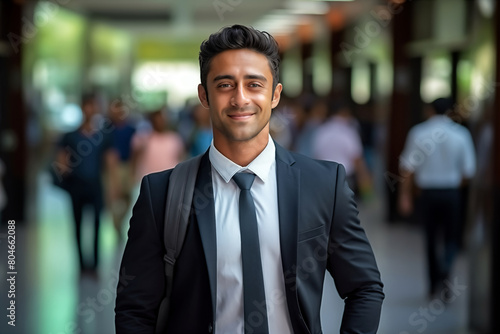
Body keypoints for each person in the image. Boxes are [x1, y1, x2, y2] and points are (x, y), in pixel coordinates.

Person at [116, 25, 384, 334]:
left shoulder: (324, 184)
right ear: (204, 95)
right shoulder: (161, 193)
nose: (240, 98)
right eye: (225, 84)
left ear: (275, 94)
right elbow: (134, 308)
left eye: (254, 84)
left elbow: (364, 287)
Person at [398, 97, 476, 297]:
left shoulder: (418, 132)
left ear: (429, 110)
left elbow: (407, 168)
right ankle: (446, 272)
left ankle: (433, 284)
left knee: (430, 239)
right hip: (451, 192)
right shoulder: (461, 134)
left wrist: (404, 196)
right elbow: (468, 172)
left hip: (428, 192)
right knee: (451, 237)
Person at [55, 94, 119, 274]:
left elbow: (110, 161)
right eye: (87, 106)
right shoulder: (70, 136)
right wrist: (64, 169)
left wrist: (114, 186)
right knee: (77, 224)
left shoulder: (103, 136)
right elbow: (60, 156)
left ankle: (95, 264)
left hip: (95, 185)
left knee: (98, 224)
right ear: (82, 108)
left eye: (93, 106)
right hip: (76, 186)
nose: (90, 110)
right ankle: (82, 264)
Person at [312, 99, 372, 197]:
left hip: (323, 179)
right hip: (344, 180)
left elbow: (316, 156)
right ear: (345, 112)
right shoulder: (348, 131)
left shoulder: (321, 131)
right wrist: (366, 184)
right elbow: (357, 160)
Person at [130, 109, 185, 185]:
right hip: (147, 181)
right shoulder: (143, 138)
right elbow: (134, 158)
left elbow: (180, 158)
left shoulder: (174, 138)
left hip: (169, 181)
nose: (160, 122)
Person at [108, 99, 136, 240]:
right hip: (113, 167)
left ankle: (119, 222)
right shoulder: (107, 129)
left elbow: (135, 150)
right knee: (113, 199)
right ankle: (116, 226)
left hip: (127, 166)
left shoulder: (131, 129)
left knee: (128, 197)